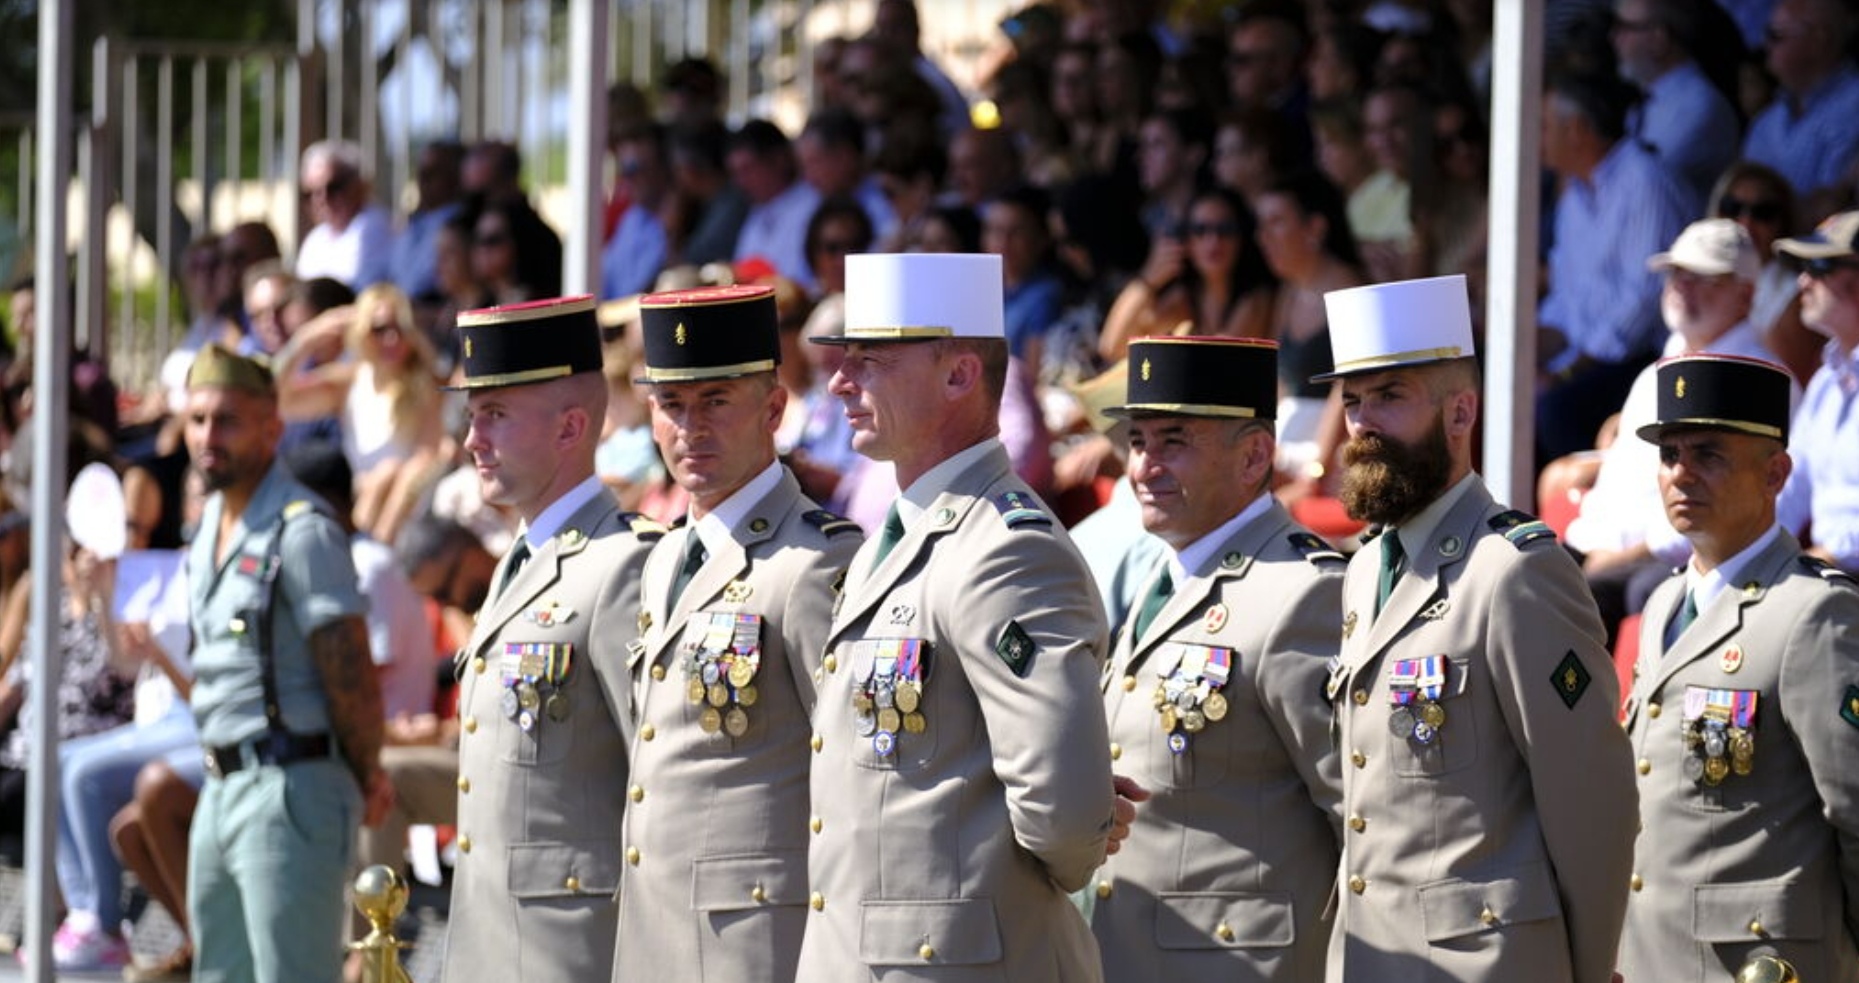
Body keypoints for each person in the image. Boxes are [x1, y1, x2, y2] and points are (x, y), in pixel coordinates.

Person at [798, 252, 1125, 982]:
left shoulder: (1005, 548)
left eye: (870, 360)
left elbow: (1066, 818)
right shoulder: (901, 533)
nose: (841, 381)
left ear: (958, 375)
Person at [1317, 275, 1636, 982]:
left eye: (1389, 396)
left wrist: (1584, 968)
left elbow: (1591, 799)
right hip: (1371, 956)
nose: (1362, 423)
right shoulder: (1364, 568)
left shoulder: (1514, 570)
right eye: (1352, 401)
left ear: (1460, 411)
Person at [612, 284, 862, 982]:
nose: (690, 427)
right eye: (670, 404)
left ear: (774, 409)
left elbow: (853, 773)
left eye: (716, 400)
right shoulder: (664, 554)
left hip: (756, 941)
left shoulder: (815, 560)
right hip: (654, 929)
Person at [1089, 336, 1344, 982]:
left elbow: (1361, 819)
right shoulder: (1166, 579)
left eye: (1172, 441)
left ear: (1254, 455)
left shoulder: (1303, 592)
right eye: (1137, 442)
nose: (1143, 467)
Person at [441, 295, 664, 982]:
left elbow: (655, 784)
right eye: (472, 416)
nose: (473, 439)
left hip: (572, 950)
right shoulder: (521, 556)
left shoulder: (623, 565)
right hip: (489, 940)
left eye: (495, 414)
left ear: (570, 426)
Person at [1620, 353, 1859, 981]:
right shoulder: (1664, 603)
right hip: (1653, 955)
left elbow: (1855, 810)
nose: (1681, 473)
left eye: (1709, 455)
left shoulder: (1813, 611)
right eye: (1669, 454)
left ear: (1775, 473)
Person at [181, 343, 390, 983]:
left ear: (273, 428)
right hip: (220, 783)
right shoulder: (210, 525)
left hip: (289, 788)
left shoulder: (302, 530)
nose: (207, 437)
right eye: (197, 420)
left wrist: (367, 772)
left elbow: (350, 674)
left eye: (227, 420)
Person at [1568, 218, 1788, 630]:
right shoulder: (1662, 365)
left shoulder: (1758, 382)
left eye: (1703, 277)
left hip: (1667, 558)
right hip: (1599, 543)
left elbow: (1732, 508)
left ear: (1746, 294)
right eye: (1676, 273)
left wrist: (1616, 558)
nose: (1681, 286)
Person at [1536, 70, 1697, 467]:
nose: (1537, 138)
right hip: (1584, 356)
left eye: (1544, 126)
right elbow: (1565, 297)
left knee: (1553, 410)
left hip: (1643, 361)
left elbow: (1642, 304)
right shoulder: (1575, 194)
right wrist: (1527, 350)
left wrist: (1566, 373)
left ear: (1576, 130)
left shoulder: (1644, 180)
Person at [1776, 211, 1859, 574]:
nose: (1803, 281)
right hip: (1829, 573)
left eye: (1819, 266)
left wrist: (1815, 562)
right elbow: (1787, 489)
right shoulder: (1826, 382)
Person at [295, 140, 393, 291]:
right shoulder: (316, 238)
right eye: (310, 193)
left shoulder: (372, 228)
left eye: (332, 188)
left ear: (359, 185)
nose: (320, 199)